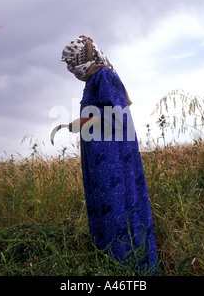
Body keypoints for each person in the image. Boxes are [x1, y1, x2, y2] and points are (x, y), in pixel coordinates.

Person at [61, 36, 158, 275]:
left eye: (71, 63)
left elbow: (117, 116)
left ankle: (131, 271)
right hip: (102, 158)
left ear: (82, 59)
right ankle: (112, 269)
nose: (70, 69)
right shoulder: (93, 80)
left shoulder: (103, 76)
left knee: (118, 210)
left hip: (113, 160)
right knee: (106, 211)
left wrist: (80, 122)